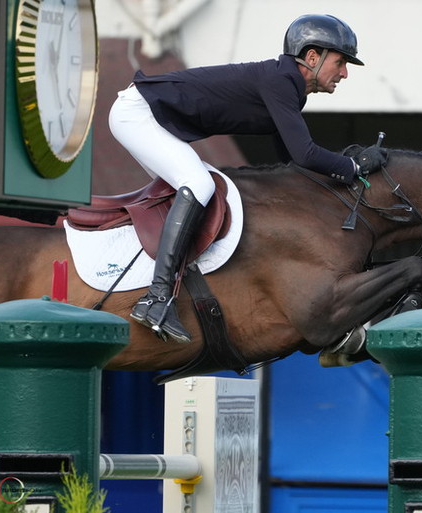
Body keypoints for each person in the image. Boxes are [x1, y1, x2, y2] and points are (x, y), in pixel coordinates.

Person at [108, 14, 387, 344]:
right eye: (340, 62)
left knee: (200, 190)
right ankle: (155, 299)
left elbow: (290, 160)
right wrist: (353, 167)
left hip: (144, 117)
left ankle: (160, 292)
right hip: (137, 114)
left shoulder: (288, 87)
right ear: (312, 57)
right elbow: (305, 155)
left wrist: (343, 176)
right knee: (200, 185)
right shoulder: (281, 82)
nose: (344, 73)